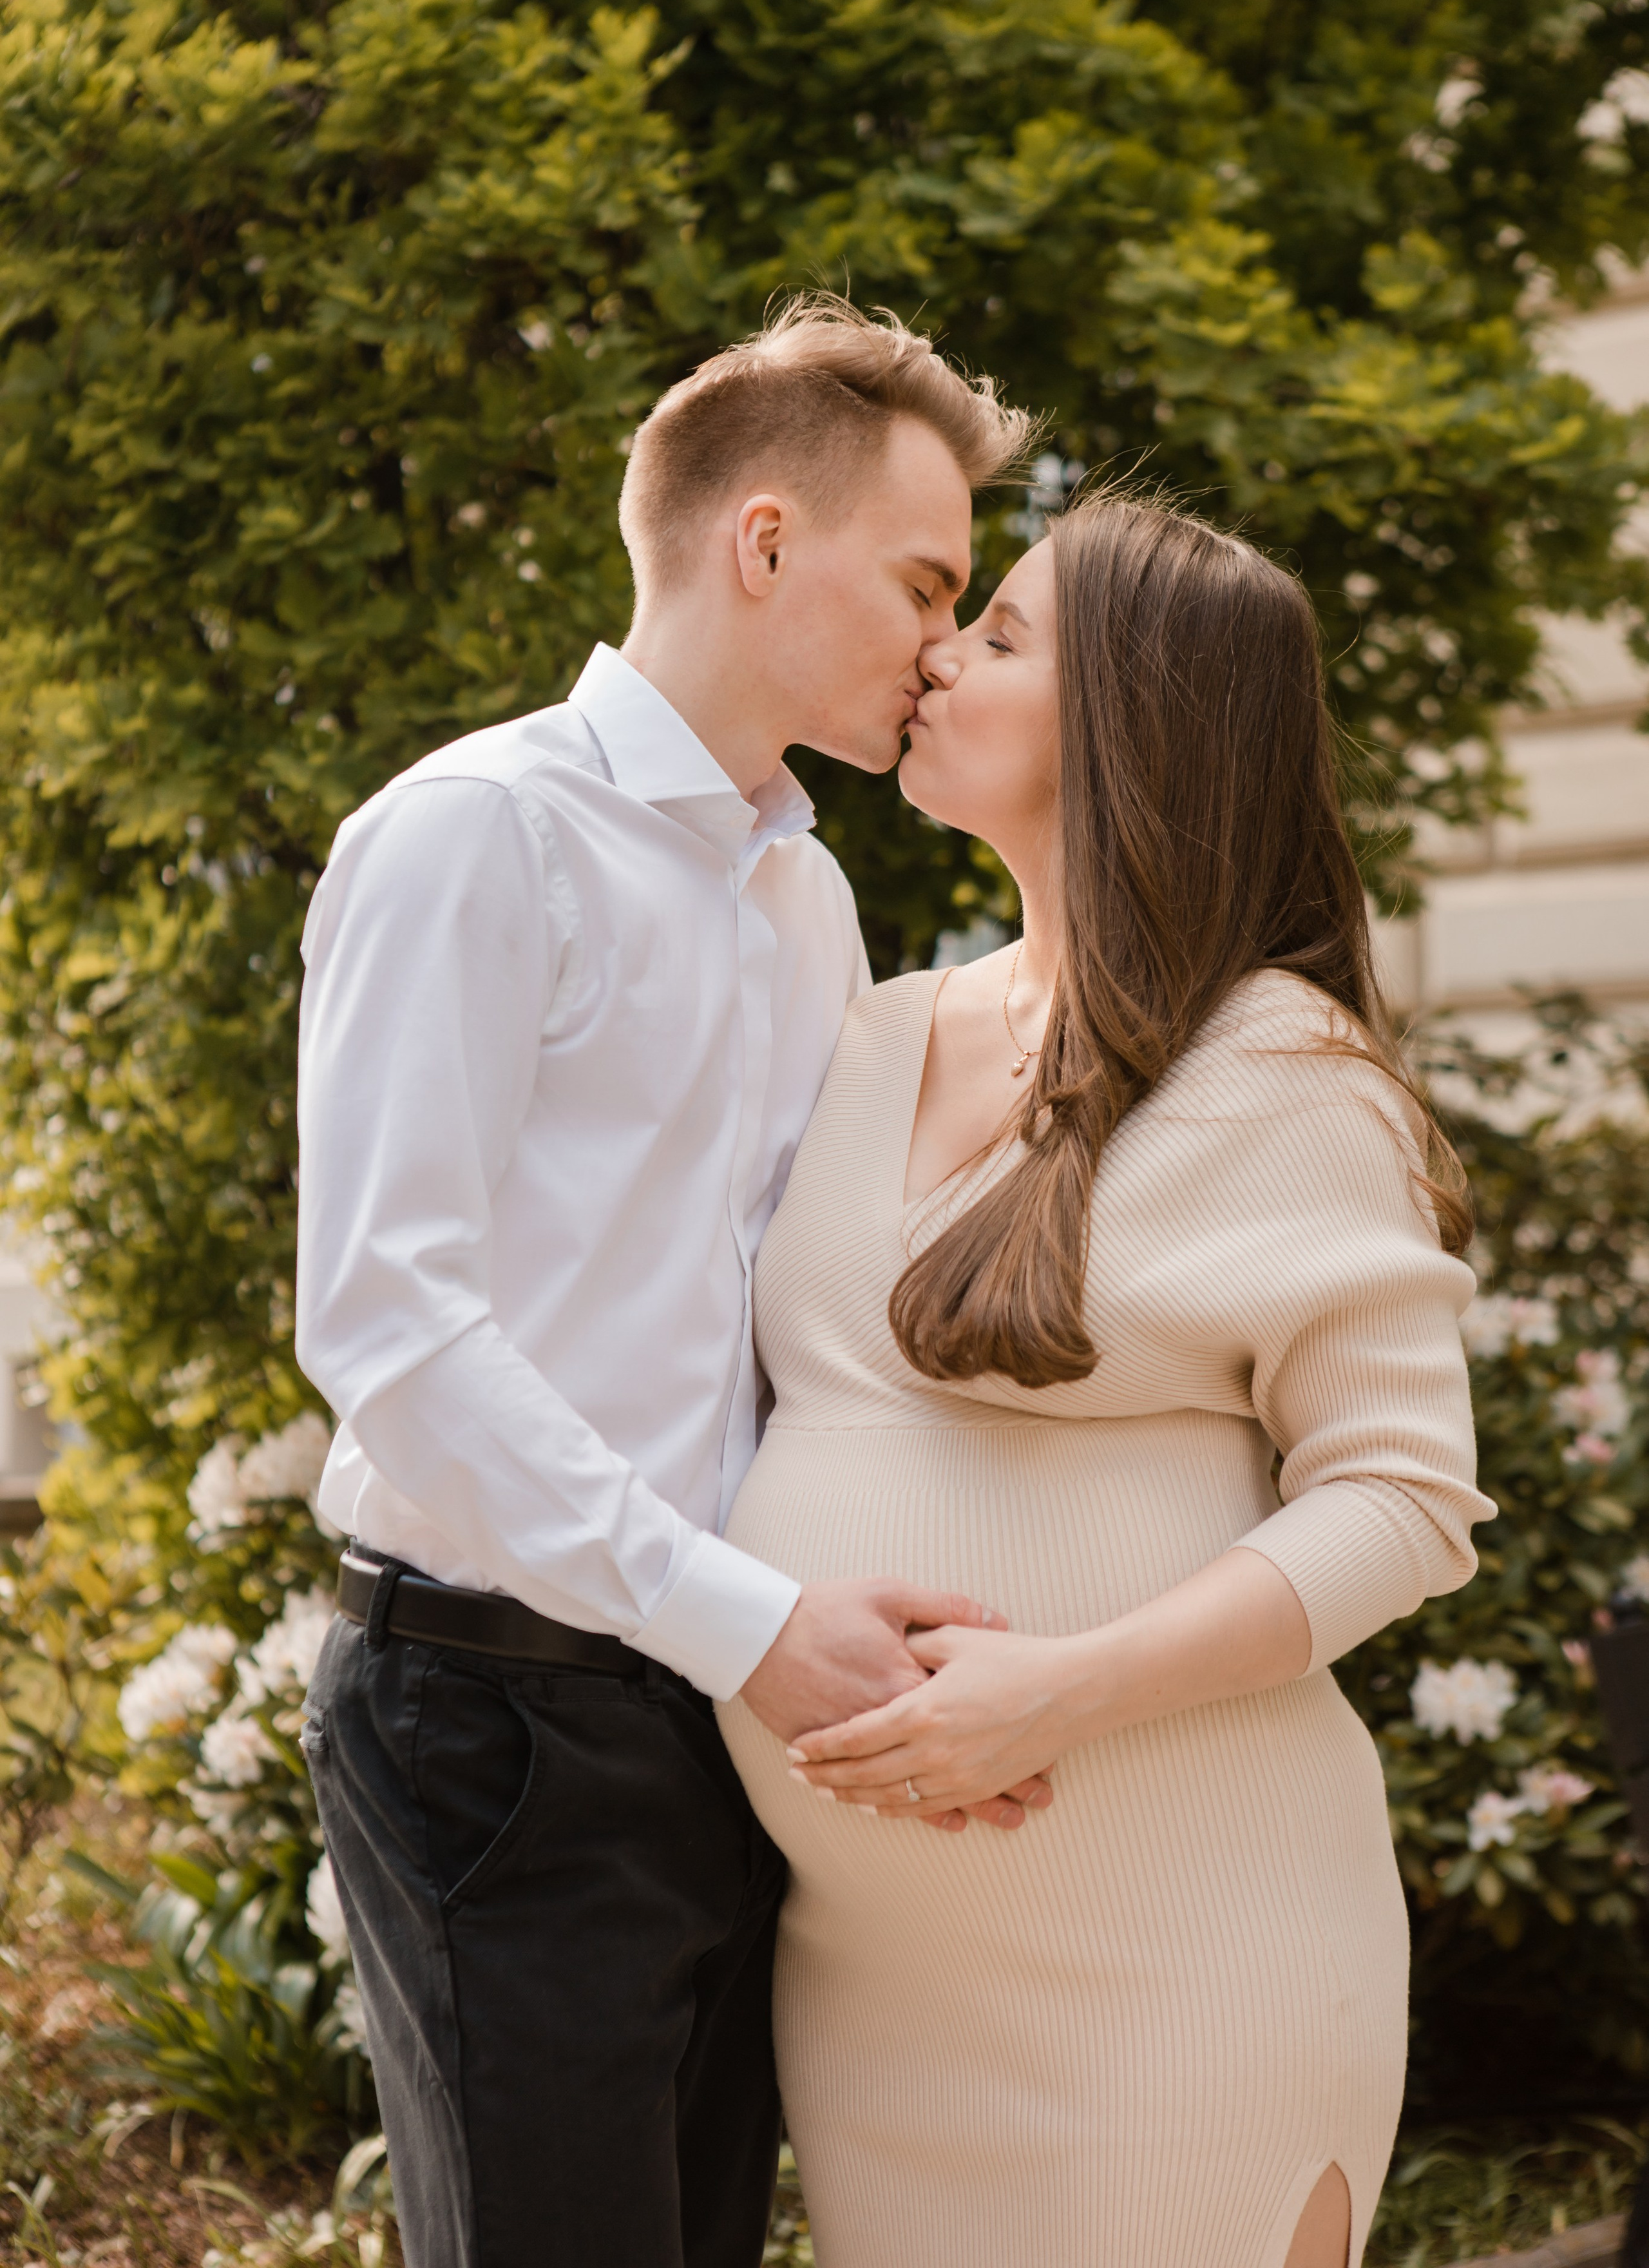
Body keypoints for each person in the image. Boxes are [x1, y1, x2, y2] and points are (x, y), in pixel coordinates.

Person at [292, 297, 1042, 2268]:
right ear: (766, 540)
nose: (947, 645)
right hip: (494, 1715)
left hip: (715, 1712)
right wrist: (745, 1619)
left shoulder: (810, 891)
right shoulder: (473, 837)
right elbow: (390, 1323)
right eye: (927, 581)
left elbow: (782, 1329)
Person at [718, 487, 1494, 2268]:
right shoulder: (876, 1029)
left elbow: (1402, 1500)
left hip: (1189, 1968)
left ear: (1133, 721)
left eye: (1000, 634)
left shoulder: (1284, 1068)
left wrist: (1060, 1689)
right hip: (884, 1984)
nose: (938, 650)